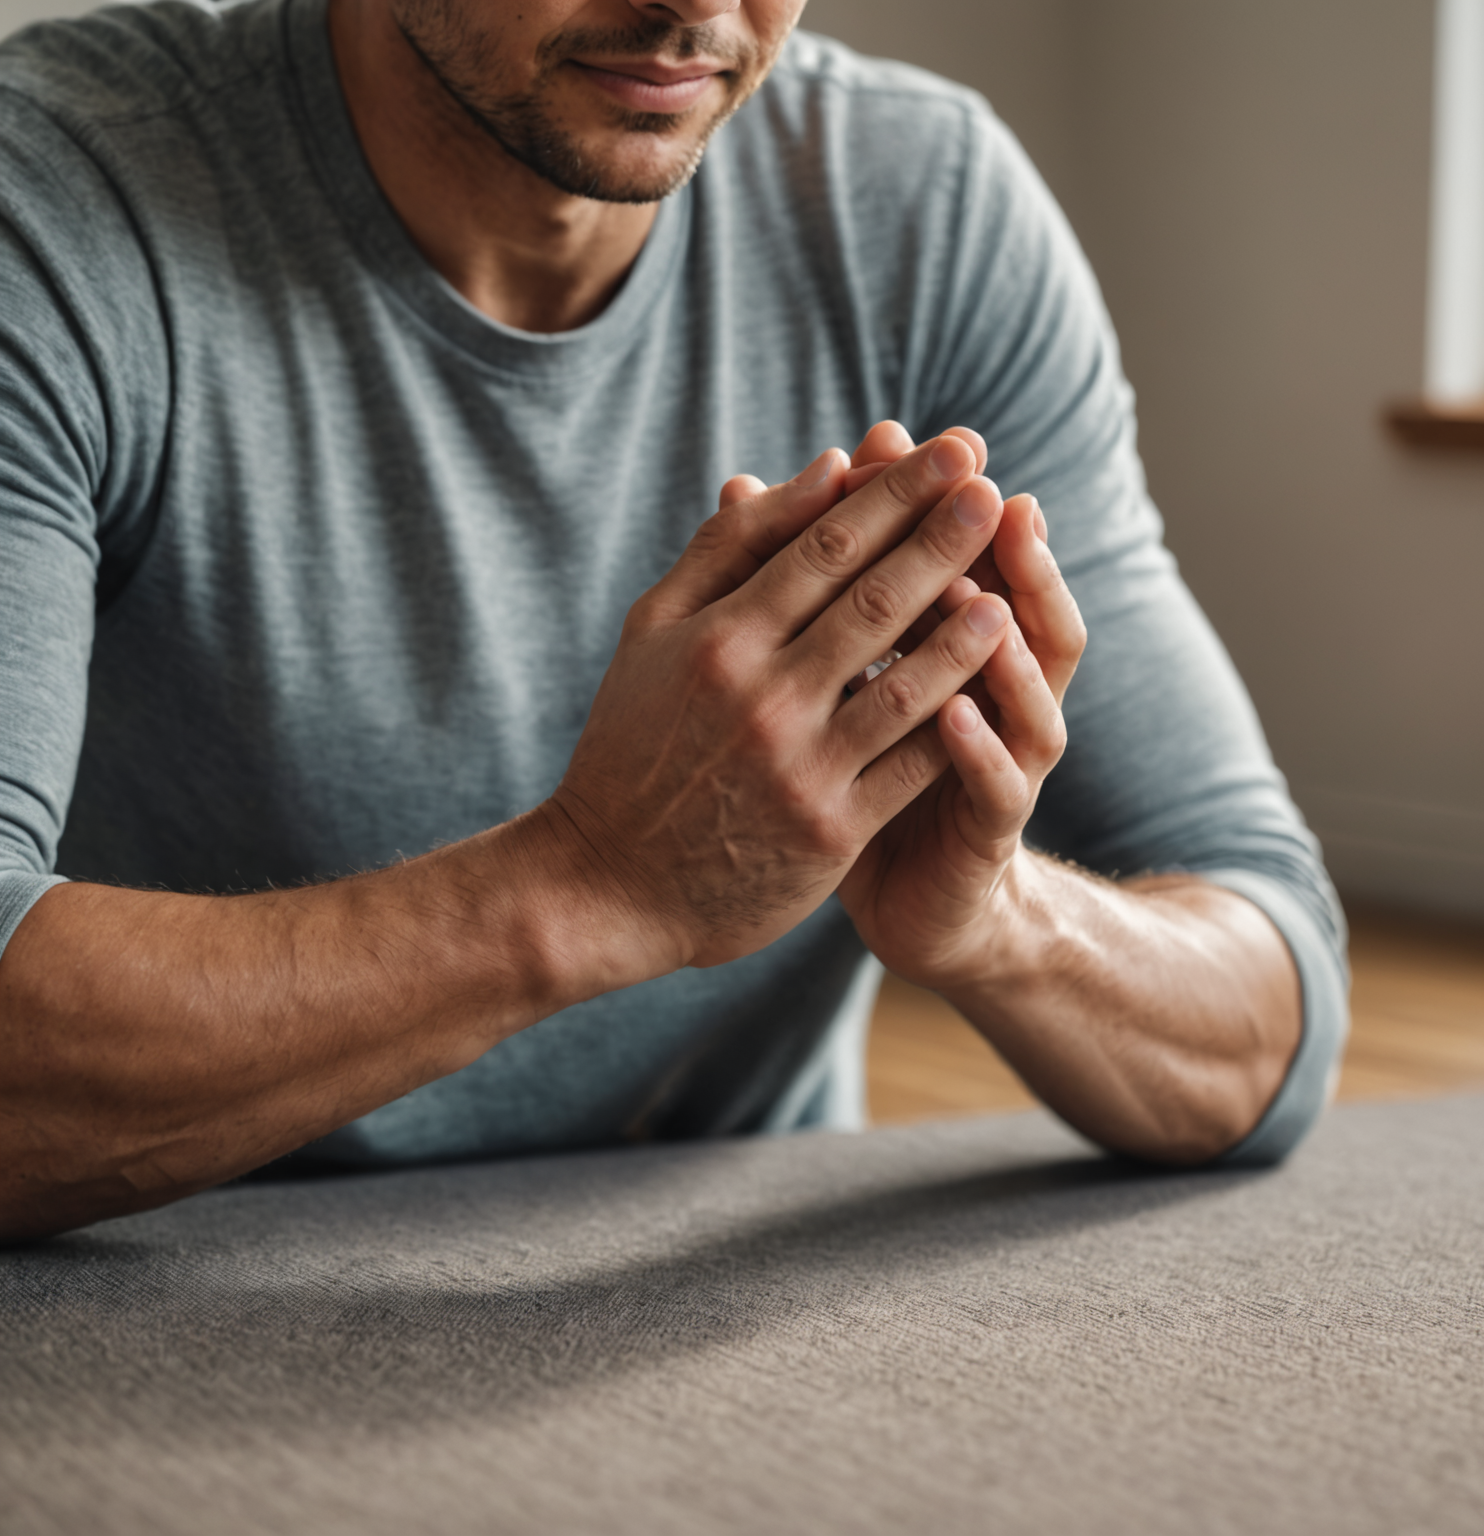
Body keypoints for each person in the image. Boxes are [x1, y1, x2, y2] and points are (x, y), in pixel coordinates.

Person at [0, 0, 1348, 1246]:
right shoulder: (57, 197)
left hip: (711, 1314)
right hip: (147, 1295)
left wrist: (998, 921)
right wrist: (599, 883)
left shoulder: (922, 205)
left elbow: (1269, 1016)